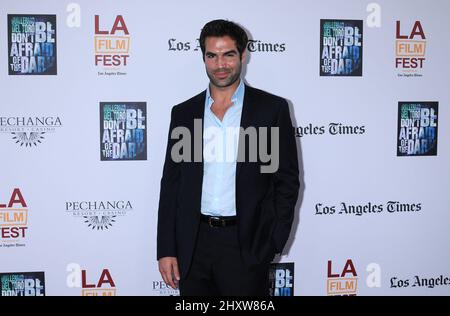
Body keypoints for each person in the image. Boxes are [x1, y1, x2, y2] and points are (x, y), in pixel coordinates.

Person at [157, 19, 300, 296]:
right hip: (193, 245)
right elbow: (171, 184)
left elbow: (286, 181)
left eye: (228, 54)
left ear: (243, 55)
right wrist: (166, 248)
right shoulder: (184, 114)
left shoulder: (270, 110)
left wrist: (272, 241)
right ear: (204, 58)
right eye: (212, 55)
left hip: (246, 245)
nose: (220, 64)